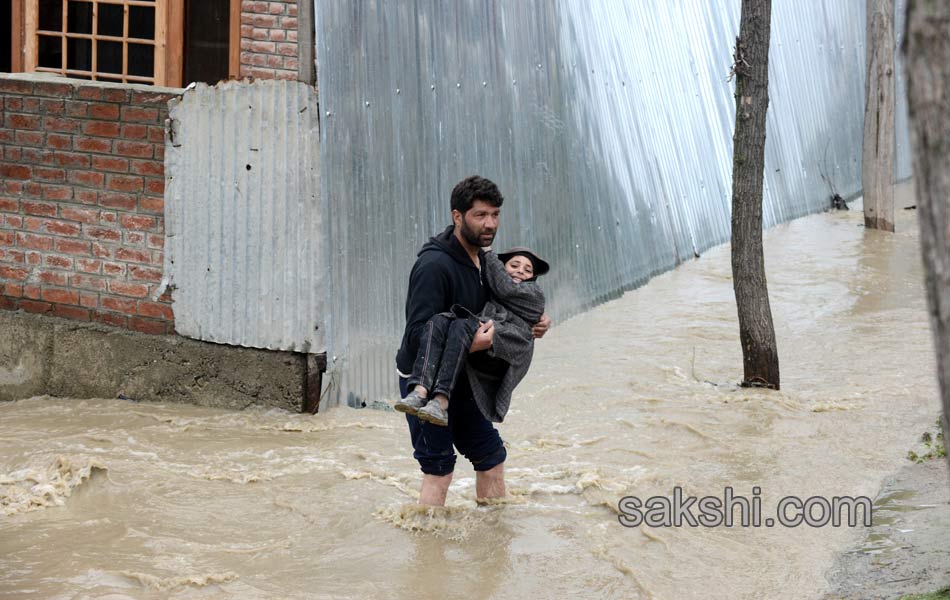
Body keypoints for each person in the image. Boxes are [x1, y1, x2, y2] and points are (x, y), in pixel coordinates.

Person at [395, 175, 551, 506]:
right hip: (425, 378)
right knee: (439, 470)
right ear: (457, 216)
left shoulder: (485, 262)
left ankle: (491, 550)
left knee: (492, 458)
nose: (490, 224)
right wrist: (474, 344)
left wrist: (536, 323)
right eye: (480, 215)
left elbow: (510, 302)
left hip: (464, 380)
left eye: (495, 215)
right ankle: (428, 554)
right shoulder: (434, 266)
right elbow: (415, 336)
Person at [394, 247, 549, 427]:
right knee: (438, 320)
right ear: (503, 268)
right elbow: (498, 285)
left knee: (463, 325)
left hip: (513, 339)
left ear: (533, 277)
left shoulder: (533, 293)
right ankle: (420, 391)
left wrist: (487, 251)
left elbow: (506, 288)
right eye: (514, 265)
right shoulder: (493, 286)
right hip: (488, 329)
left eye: (527, 269)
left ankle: (441, 400)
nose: (521, 270)